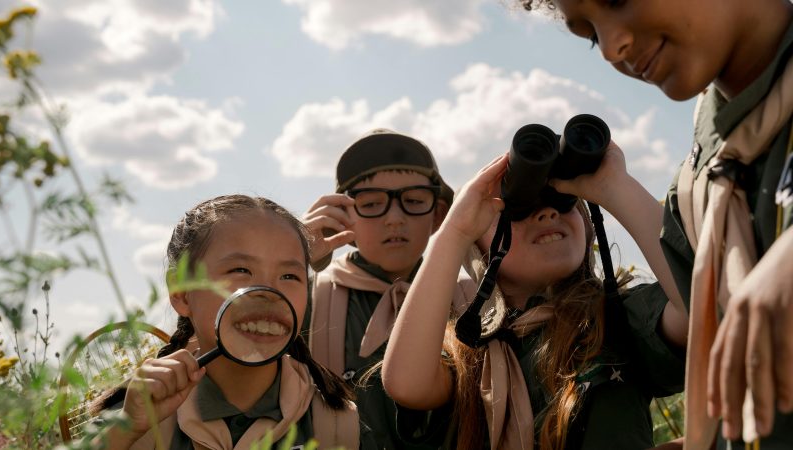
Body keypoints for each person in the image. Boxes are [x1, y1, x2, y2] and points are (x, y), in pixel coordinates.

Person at [519, 1, 793, 448]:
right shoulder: (700, 183)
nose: (610, 48)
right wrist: (609, 186)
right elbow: (702, 313)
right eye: (590, 33)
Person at [383, 147, 689, 449]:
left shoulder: (617, 317)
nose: (547, 212)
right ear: (477, 248)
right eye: (518, 207)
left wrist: (614, 185)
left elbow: (698, 304)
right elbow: (406, 383)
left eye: (563, 200)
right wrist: (454, 231)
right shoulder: (469, 351)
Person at [97, 195, 365, 449]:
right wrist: (127, 429)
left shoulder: (339, 425)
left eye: (289, 276)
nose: (267, 293)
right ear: (181, 291)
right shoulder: (133, 421)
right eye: (241, 270)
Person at [303, 128, 455, 449]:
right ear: (342, 217)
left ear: (438, 214)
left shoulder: (471, 301)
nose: (395, 219)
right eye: (371, 204)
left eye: (414, 201)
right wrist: (290, 260)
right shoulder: (309, 300)